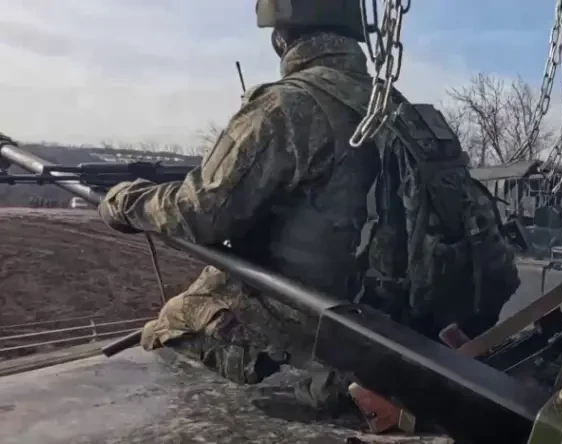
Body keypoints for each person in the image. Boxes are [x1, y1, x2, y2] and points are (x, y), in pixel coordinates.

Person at [97, 0, 519, 416]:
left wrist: (123, 202)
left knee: (177, 318)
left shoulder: (286, 105)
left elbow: (197, 212)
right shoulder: (398, 108)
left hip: (327, 325)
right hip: (399, 321)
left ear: (281, 38)